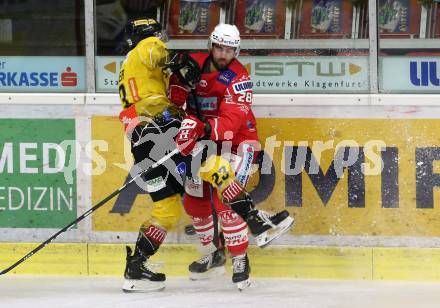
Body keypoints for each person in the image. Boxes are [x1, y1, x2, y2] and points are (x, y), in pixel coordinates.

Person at [169, 23, 295, 290]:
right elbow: (174, 101)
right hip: (202, 141)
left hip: (238, 142)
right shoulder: (193, 64)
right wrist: (176, 92)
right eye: (220, 47)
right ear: (211, 46)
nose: (224, 54)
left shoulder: (240, 78)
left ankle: (240, 259)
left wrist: (200, 127)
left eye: (230, 49)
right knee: (195, 203)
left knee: (227, 201)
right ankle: (213, 254)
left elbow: (231, 121)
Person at [117, 18, 188, 293]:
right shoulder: (146, 48)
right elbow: (155, 52)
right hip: (157, 133)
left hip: (141, 145)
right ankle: (244, 217)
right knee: (207, 163)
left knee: (167, 208)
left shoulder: (128, 65)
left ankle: (136, 266)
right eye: (156, 34)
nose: (160, 39)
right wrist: (175, 60)